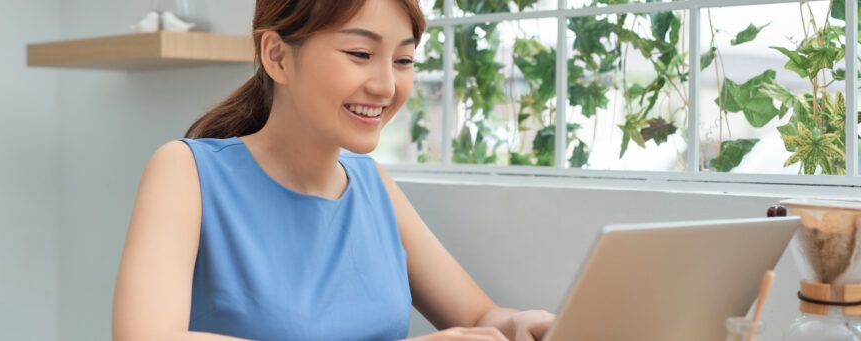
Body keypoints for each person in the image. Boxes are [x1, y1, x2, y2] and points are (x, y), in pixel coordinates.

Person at [111, 0, 555, 340]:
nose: (386, 86)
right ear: (278, 56)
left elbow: (478, 316)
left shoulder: (372, 183)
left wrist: (521, 324)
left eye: (403, 60)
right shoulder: (186, 171)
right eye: (361, 53)